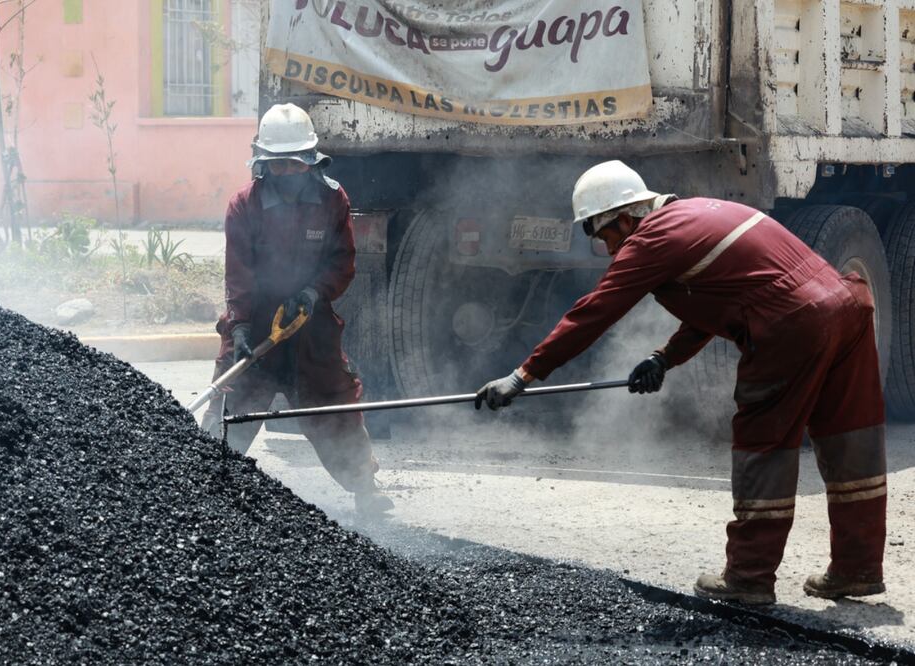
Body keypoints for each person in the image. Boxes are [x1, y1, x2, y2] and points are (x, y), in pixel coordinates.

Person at [474, 160, 887, 605]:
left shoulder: (651, 238)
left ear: (625, 219)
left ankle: (748, 577)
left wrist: (523, 376)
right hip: (846, 307)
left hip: (791, 323)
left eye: (604, 237)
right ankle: (857, 569)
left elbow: (592, 312)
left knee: (764, 446)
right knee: (851, 442)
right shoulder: (698, 214)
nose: (609, 250)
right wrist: (663, 358)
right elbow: (731, 299)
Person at [202, 103, 393, 516]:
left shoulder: (332, 200)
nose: (287, 173)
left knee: (334, 406)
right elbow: (238, 273)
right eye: (279, 165)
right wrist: (239, 328)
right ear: (263, 164)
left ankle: (365, 488)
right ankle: (202, 491)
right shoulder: (244, 206)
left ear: (310, 161)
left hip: (311, 325)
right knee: (232, 406)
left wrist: (312, 291)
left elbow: (342, 262)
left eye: (294, 164)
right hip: (255, 322)